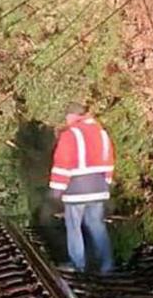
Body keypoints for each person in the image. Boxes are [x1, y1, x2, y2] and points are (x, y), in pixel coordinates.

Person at [49, 101, 116, 274]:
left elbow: (62, 164)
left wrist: (57, 189)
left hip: (76, 190)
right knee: (96, 225)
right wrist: (106, 183)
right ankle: (107, 264)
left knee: (74, 226)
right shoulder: (101, 133)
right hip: (99, 187)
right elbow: (109, 160)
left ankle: (77, 264)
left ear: (72, 116)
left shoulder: (70, 134)